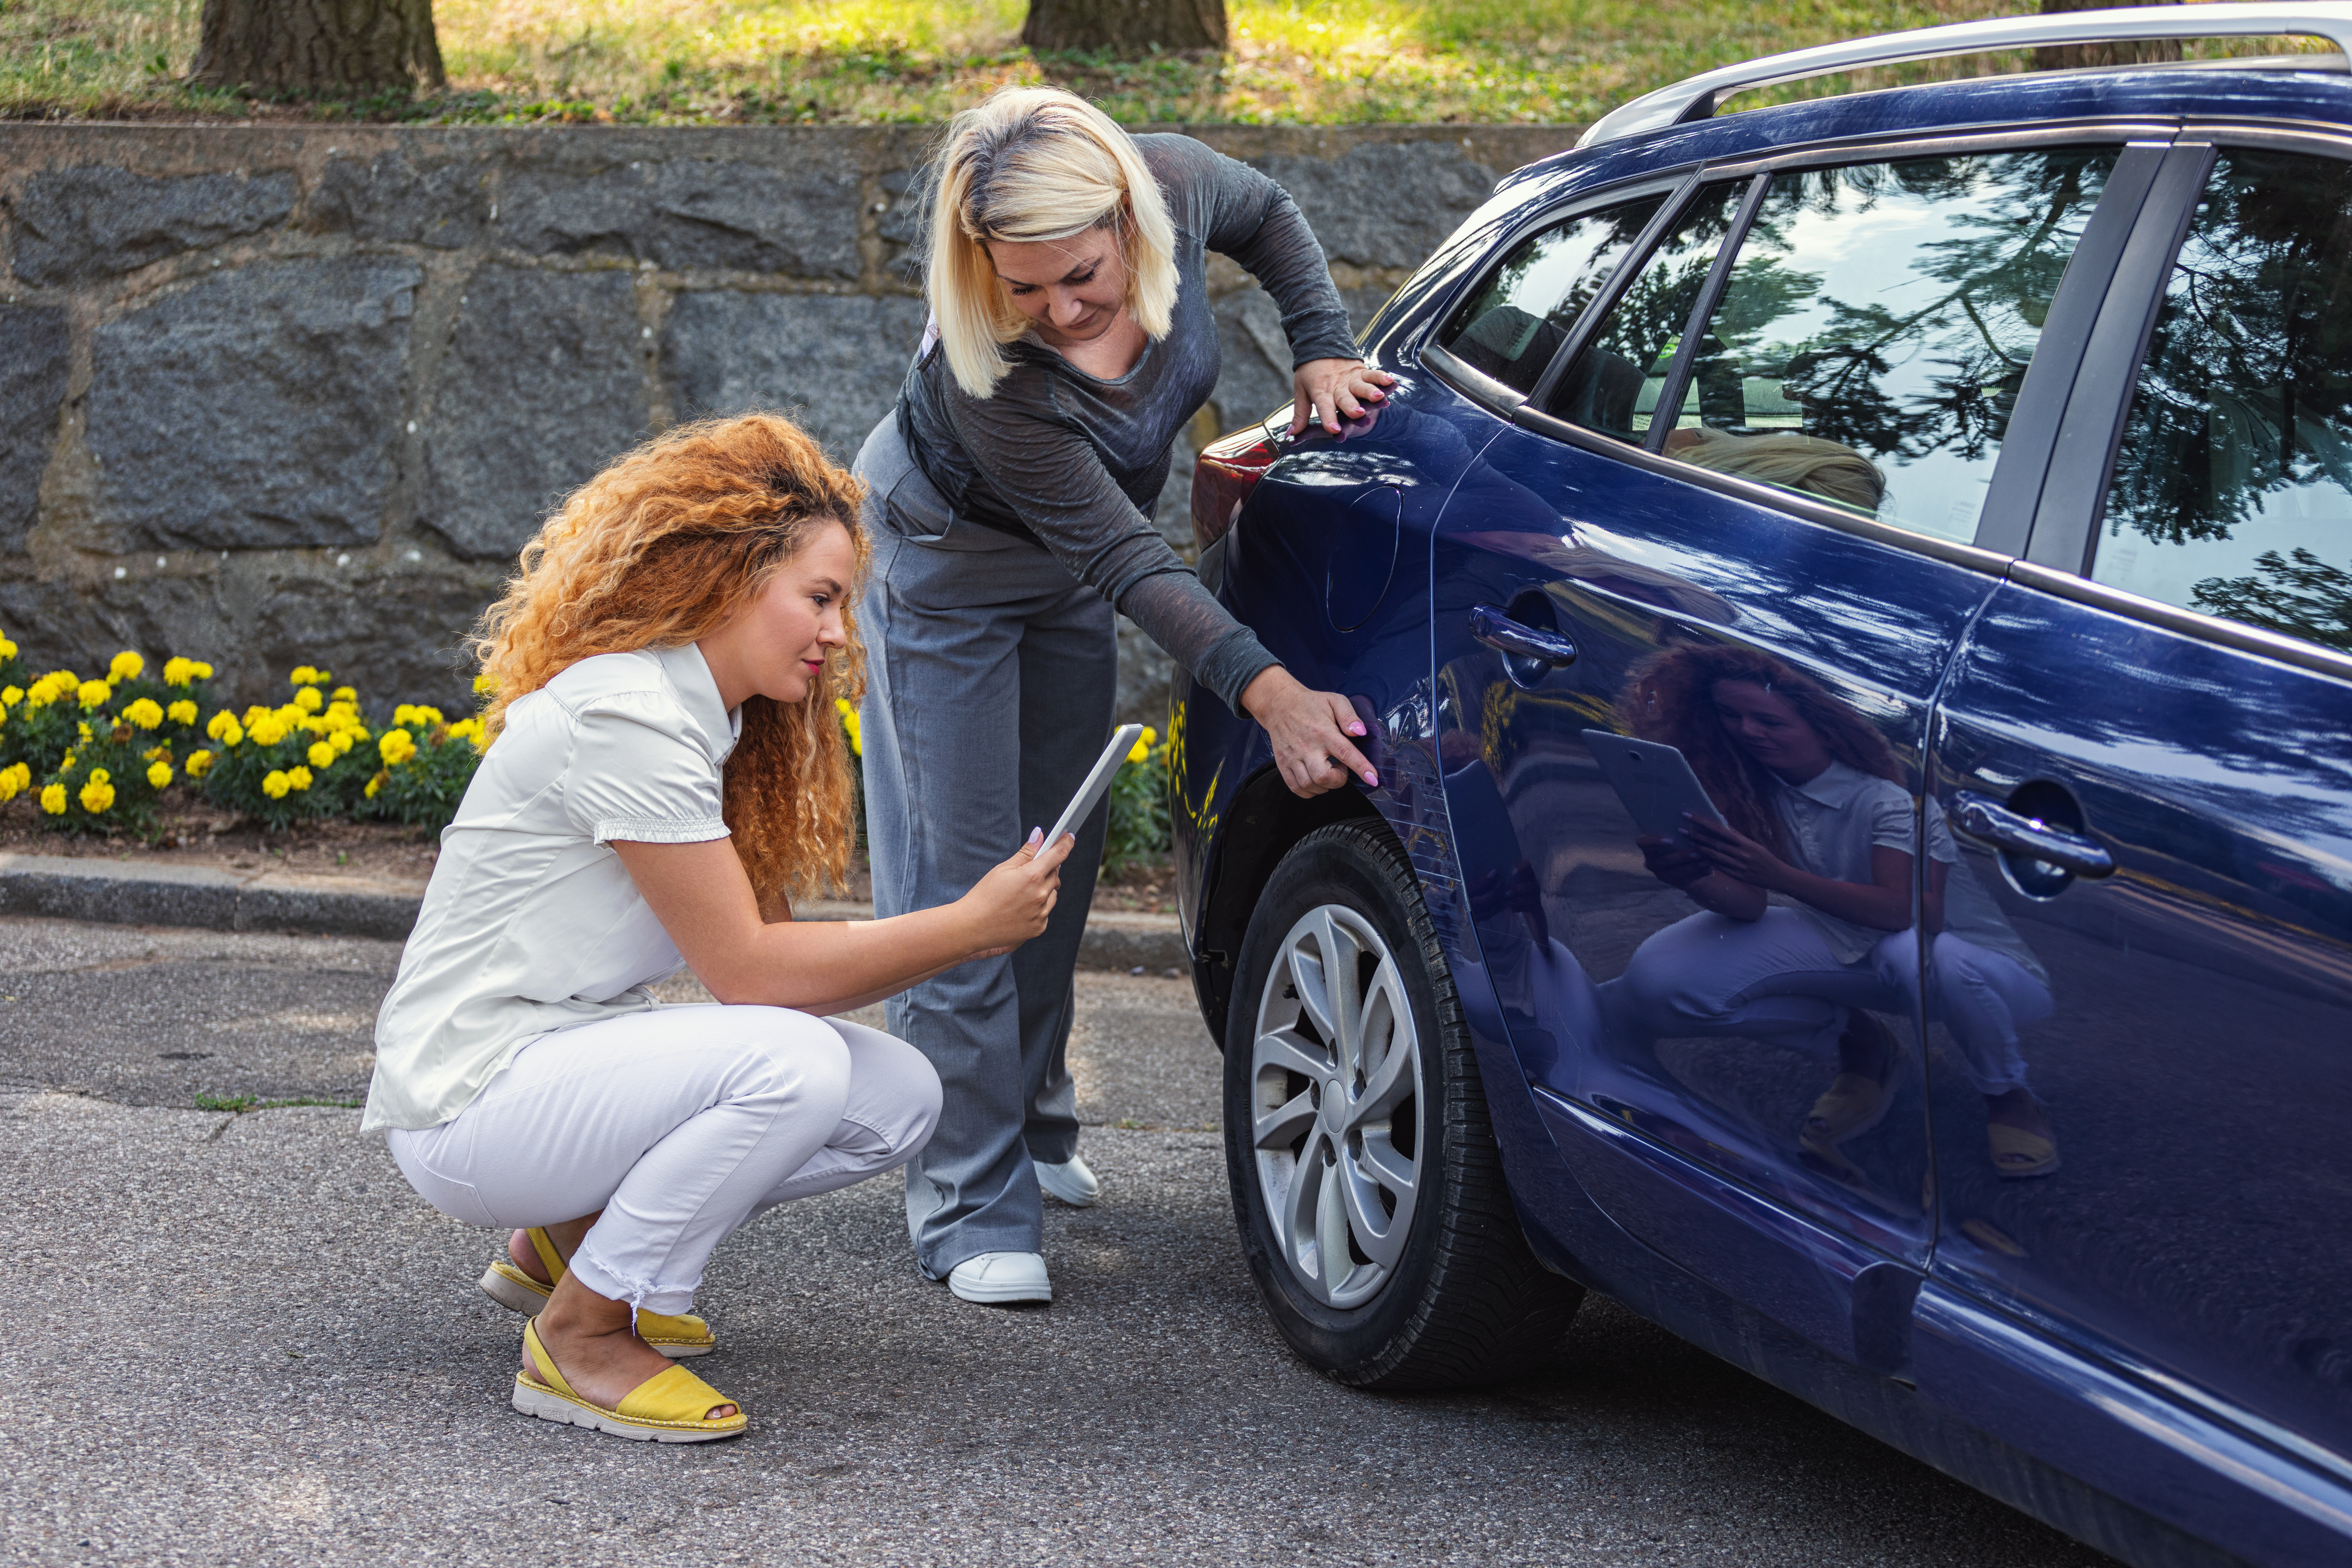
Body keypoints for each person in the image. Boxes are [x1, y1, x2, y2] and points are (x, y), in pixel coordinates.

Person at [364, 414, 1074, 1443]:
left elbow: (782, 963)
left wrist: (966, 927)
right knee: (789, 1066)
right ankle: (584, 1332)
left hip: (553, 1063)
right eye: (820, 600)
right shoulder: (631, 718)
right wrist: (966, 929)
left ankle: (565, 1241)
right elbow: (752, 976)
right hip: (469, 1101)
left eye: (845, 605)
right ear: (734, 576)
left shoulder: (719, 726)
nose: (839, 635)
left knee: (900, 1096)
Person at [850, 86, 1394, 1303]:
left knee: (1060, 857)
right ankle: (967, 1200)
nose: (1058, 309)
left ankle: (1034, 1136)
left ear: (1129, 218)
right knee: (967, 879)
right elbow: (1131, 560)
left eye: (1080, 275)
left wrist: (1319, 341)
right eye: (1022, 287)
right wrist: (1268, 693)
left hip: (1066, 563)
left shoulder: (1176, 179)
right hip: (944, 566)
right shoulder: (991, 385)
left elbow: (1276, 214)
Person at [1602, 644, 2061, 1178]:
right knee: (1662, 983)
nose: (1748, 731)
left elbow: (1912, 913)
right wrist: (1693, 874)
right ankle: (1865, 1046)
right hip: (1847, 938)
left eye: (1768, 719)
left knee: (1918, 955)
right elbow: (1748, 906)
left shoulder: (1886, 800)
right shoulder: (1753, 789)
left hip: (1974, 965)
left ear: (1823, 723)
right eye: (1732, 716)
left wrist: (1780, 877)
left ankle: (2008, 1093)